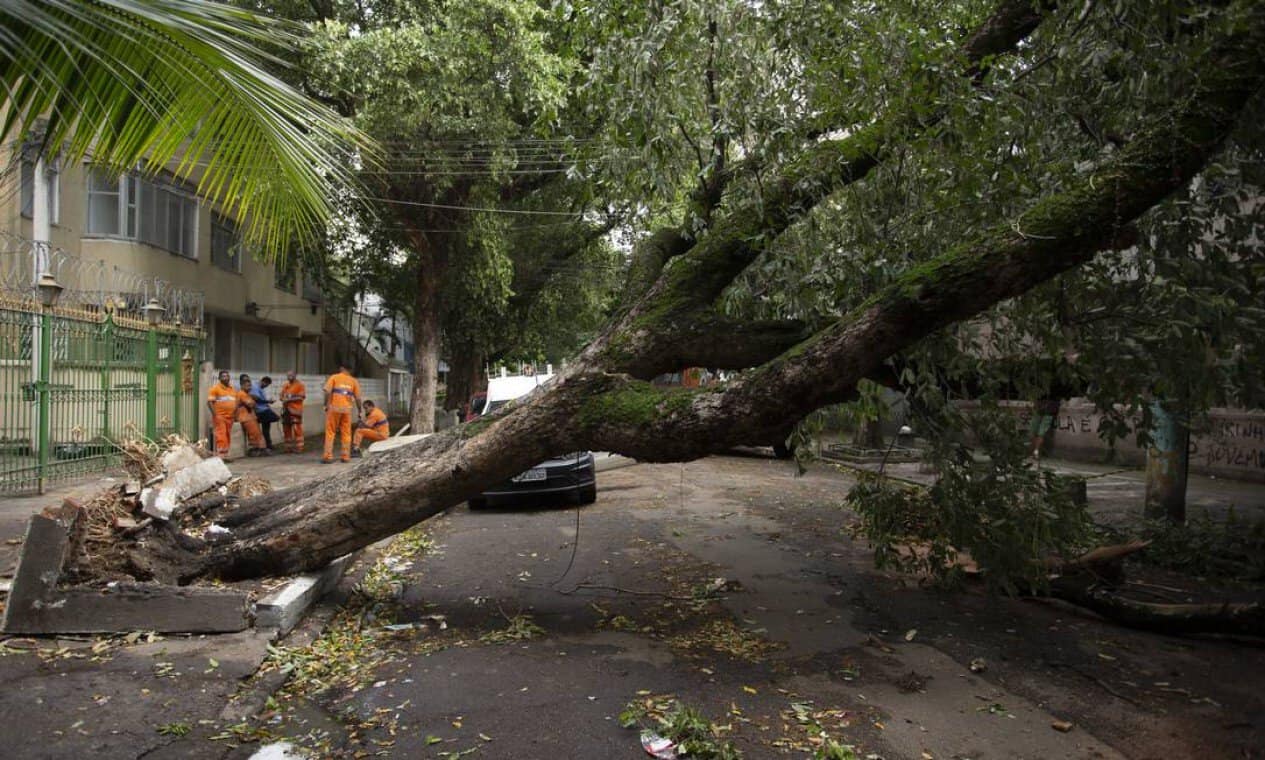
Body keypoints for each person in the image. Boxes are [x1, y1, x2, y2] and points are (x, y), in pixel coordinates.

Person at [322, 362, 362, 463]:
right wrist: (360, 410)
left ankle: (328, 456)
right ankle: (345, 456)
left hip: (334, 408)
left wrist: (325, 404)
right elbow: (358, 398)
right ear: (350, 370)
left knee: (330, 431)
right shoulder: (354, 381)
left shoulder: (334, 377)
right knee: (346, 433)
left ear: (341, 368)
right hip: (347, 410)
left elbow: (327, 392)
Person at [206, 370, 238, 459]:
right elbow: (209, 402)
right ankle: (221, 455)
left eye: (227, 376)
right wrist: (215, 415)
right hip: (220, 416)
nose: (225, 378)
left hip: (230, 417)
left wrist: (234, 414)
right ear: (219, 378)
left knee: (227, 435)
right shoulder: (215, 389)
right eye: (223, 376)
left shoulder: (232, 389)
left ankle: (226, 454)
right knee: (221, 435)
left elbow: (235, 402)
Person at [236, 375, 270, 457]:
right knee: (255, 434)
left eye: (250, 386)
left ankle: (258, 449)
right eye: (247, 386)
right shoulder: (242, 394)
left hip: (249, 417)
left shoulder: (246, 394)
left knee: (255, 434)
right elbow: (251, 405)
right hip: (247, 417)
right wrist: (254, 402)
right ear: (242, 386)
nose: (250, 388)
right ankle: (260, 449)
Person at [280, 370, 306, 454]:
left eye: (291, 375)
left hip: (295, 410)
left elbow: (301, 397)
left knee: (297, 429)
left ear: (295, 375)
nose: (289, 377)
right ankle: (288, 448)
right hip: (286, 410)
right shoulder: (285, 385)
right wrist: (283, 399)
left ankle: (299, 447)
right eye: (288, 375)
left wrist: (289, 399)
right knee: (286, 429)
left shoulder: (300, 385)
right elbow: (281, 396)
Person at [251, 375, 280, 450]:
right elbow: (256, 399)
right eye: (266, 385)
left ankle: (268, 444)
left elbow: (262, 399)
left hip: (264, 409)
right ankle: (265, 445)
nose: (266, 386)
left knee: (266, 429)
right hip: (260, 410)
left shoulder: (261, 388)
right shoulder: (255, 387)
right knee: (275, 418)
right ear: (263, 382)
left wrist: (267, 403)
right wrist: (268, 401)